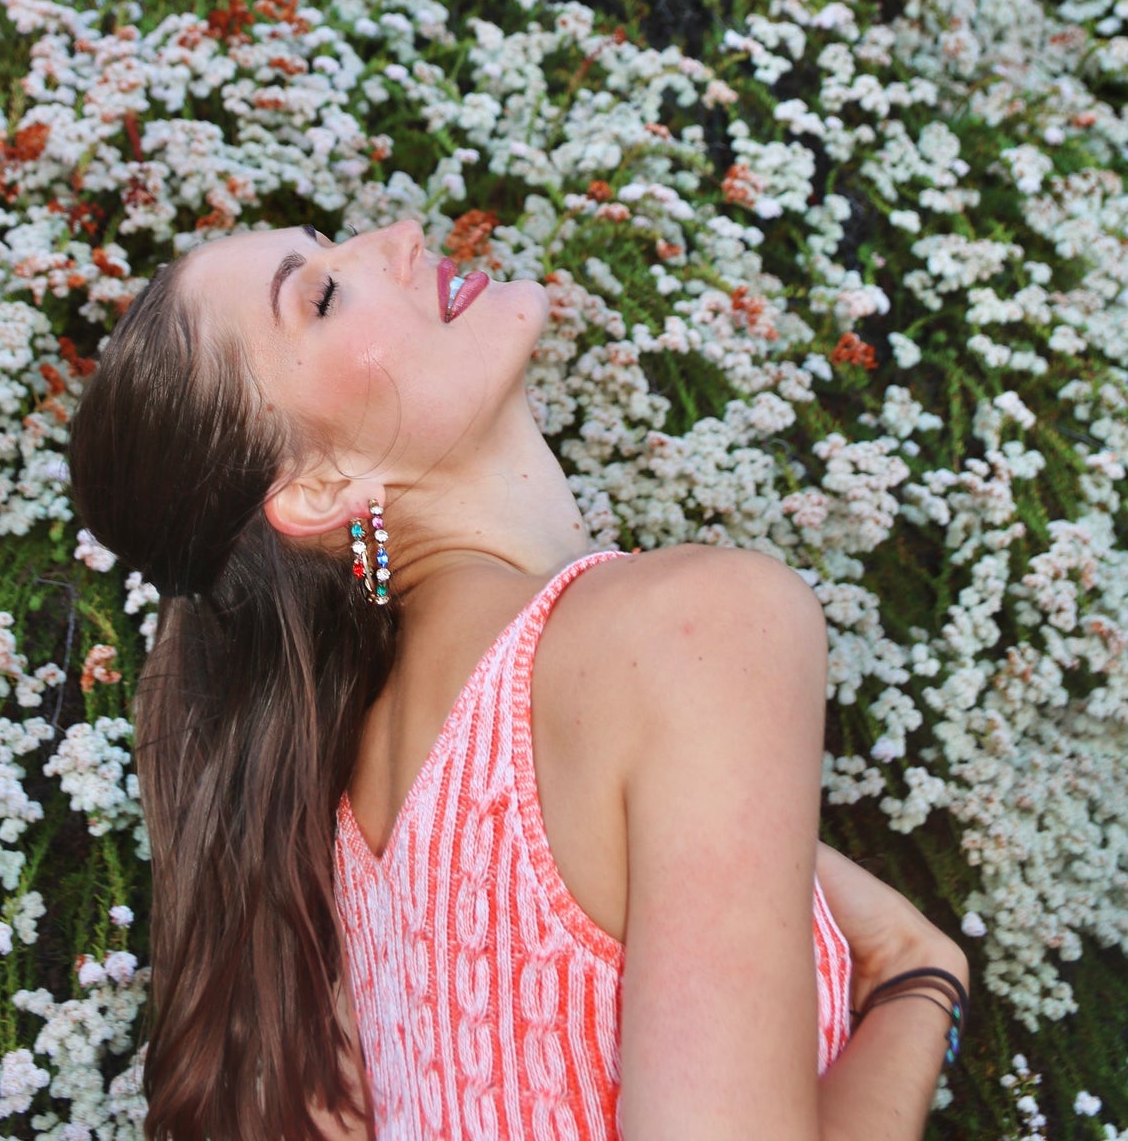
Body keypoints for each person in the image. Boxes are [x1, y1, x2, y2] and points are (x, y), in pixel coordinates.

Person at [67, 215, 969, 1141]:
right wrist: (919, 981)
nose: (402, 233)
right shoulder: (692, 630)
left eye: (333, 240)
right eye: (322, 296)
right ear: (317, 489)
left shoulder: (319, 828)